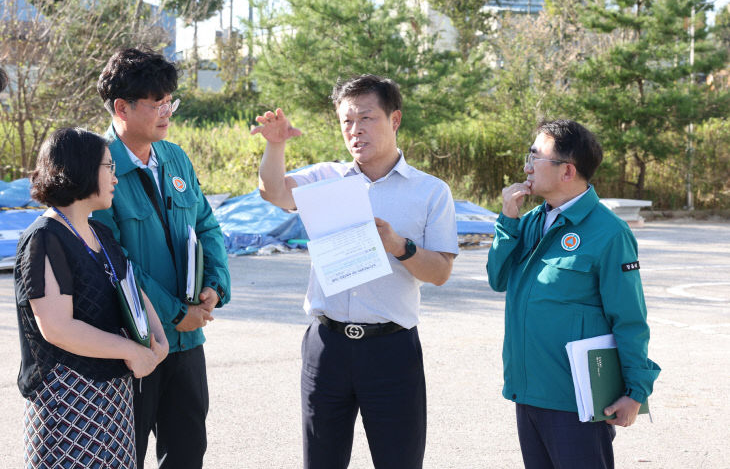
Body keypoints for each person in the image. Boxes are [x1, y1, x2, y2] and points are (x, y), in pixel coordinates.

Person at [255, 74, 459, 469]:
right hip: (327, 346)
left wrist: (400, 247)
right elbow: (274, 191)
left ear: (395, 119)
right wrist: (275, 144)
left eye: (366, 118)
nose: (355, 130)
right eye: (347, 121)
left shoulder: (430, 191)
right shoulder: (325, 179)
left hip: (392, 350)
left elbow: (440, 273)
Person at [486, 119, 661, 468]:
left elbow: (629, 319)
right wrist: (508, 219)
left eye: (535, 157)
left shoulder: (609, 233)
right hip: (529, 392)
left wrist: (636, 392)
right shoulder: (532, 220)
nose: (526, 166)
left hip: (576, 400)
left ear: (567, 171)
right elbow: (498, 278)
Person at [93, 47, 231, 469]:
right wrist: (173, 313)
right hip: (134, 342)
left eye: (170, 101)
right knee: (124, 454)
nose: (167, 112)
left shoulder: (175, 157)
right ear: (122, 107)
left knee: (187, 452)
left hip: (188, 343)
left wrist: (215, 287)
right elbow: (111, 259)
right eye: (156, 104)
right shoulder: (95, 165)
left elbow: (206, 225)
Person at [14, 127, 168, 469]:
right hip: (67, 405)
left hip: (113, 402)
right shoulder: (45, 238)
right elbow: (57, 327)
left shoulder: (99, 231)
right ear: (80, 169)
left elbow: (131, 287)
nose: (115, 178)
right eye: (108, 167)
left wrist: (158, 339)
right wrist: (132, 350)